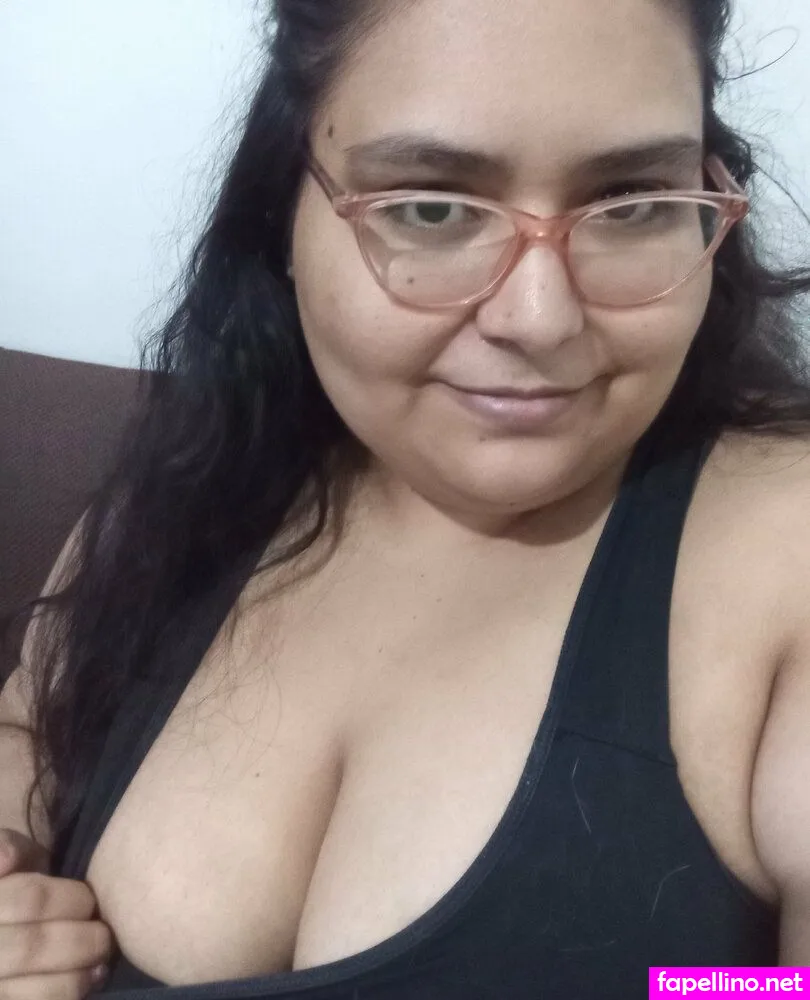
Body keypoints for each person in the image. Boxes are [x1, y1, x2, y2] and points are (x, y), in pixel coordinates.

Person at [2, 0, 810, 996]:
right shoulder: (192, 493)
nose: (540, 319)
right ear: (283, 211)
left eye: (631, 201)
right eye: (432, 208)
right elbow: (29, 729)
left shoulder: (786, 548)